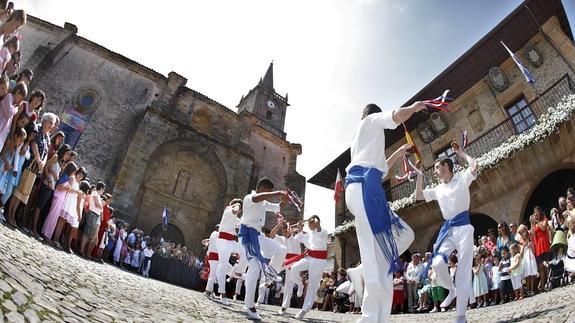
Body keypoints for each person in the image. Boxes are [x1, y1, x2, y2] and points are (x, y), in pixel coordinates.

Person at [345, 102, 423, 323]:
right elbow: (397, 116)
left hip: (370, 191)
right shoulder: (370, 121)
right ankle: (370, 316)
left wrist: (398, 152)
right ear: (374, 114)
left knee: (401, 239)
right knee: (373, 256)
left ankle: (380, 316)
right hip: (363, 190)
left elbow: (380, 168)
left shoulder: (366, 143)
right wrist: (415, 107)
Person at [415, 141, 479, 323]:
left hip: (465, 228)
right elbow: (419, 196)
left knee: (464, 271)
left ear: (446, 166)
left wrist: (461, 153)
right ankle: (451, 290)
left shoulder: (462, 179)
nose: (434, 171)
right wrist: (419, 175)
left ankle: (460, 316)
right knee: (436, 263)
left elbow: (475, 166)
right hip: (448, 231)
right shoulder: (438, 188)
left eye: (437, 167)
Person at [236, 177, 288, 320]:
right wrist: (277, 192)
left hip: (258, 236)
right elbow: (257, 198)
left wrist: (285, 200)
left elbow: (278, 207)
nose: (270, 193)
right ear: (263, 188)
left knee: (282, 250)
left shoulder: (264, 202)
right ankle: (249, 304)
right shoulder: (249, 197)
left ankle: (270, 274)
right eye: (269, 191)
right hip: (247, 235)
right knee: (254, 267)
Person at [282, 215, 328, 319]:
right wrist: (300, 229)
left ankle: (304, 310)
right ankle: (300, 284)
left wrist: (316, 222)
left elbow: (319, 230)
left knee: (312, 285)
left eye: (310, 223)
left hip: (319, 260)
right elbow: (298, 237)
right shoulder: (309, 234)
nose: (309, 225)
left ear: (316, 223)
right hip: (309, 257)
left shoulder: (323, 231)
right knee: (294, 268)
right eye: (308, 224)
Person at [215, 198, 243, 306]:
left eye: (240, 208)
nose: (238, 209)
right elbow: (234, 208)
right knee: (222, 266)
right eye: (237, 206)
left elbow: (243, 226)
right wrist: (236, 207)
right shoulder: (228, 210)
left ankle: (235, 273)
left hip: (230, 242)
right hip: (222, 241)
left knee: (244, 250)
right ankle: (222, 293)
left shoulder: (237, 219)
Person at [204, 225, 220, 299]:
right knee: (213, 275)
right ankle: (208, 291)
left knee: (213, 275)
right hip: (214, 256)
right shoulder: (216, 234)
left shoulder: (213, 234)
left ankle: (211, 291)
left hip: (212, 256)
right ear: (217, 228)